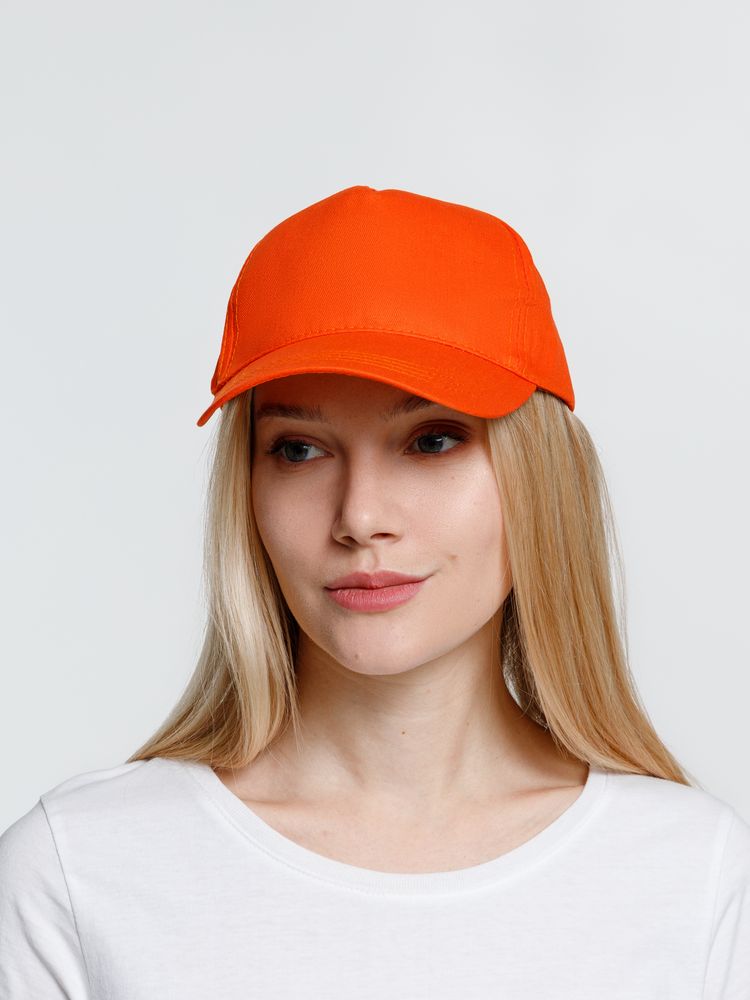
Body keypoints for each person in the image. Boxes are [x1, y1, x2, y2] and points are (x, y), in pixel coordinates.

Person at [1, 185, 748, 998]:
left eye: (431, 441)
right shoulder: (79, 873)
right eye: (299, 450)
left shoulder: (693, 877)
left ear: (539, 476)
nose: (360, 518)